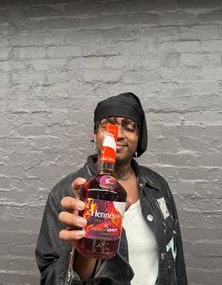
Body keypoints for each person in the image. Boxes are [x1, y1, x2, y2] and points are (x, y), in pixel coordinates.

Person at [35, 92, 188, 285]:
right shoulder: (67, 194)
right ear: (95, 134)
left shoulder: (157, 186)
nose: (119, 135)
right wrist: (82, 249)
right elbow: (49, 279)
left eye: (129, 126)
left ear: (138, 136)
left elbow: (176, 260)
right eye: (108, 126)